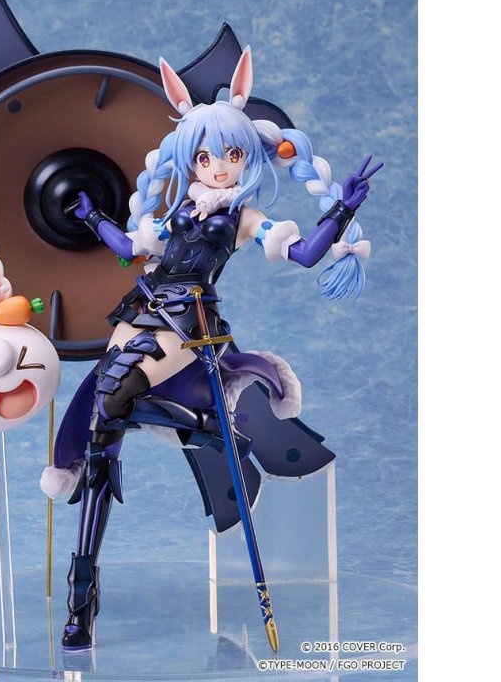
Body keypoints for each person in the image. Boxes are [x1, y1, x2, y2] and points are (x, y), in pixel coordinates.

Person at [55, 47, 381, 650]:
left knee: (117, 393)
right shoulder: (178, 206)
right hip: (140, 308)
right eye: (206, 157)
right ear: (191, 159)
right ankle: (84, 588)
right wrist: (93, 217)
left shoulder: (245, 217)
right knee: (103, 419)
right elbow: (130, 251)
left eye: (231, 155)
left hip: (187, 322)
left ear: (246, 157)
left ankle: (202, 426)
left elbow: (305, 254)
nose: (219, 167)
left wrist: (344, 209)